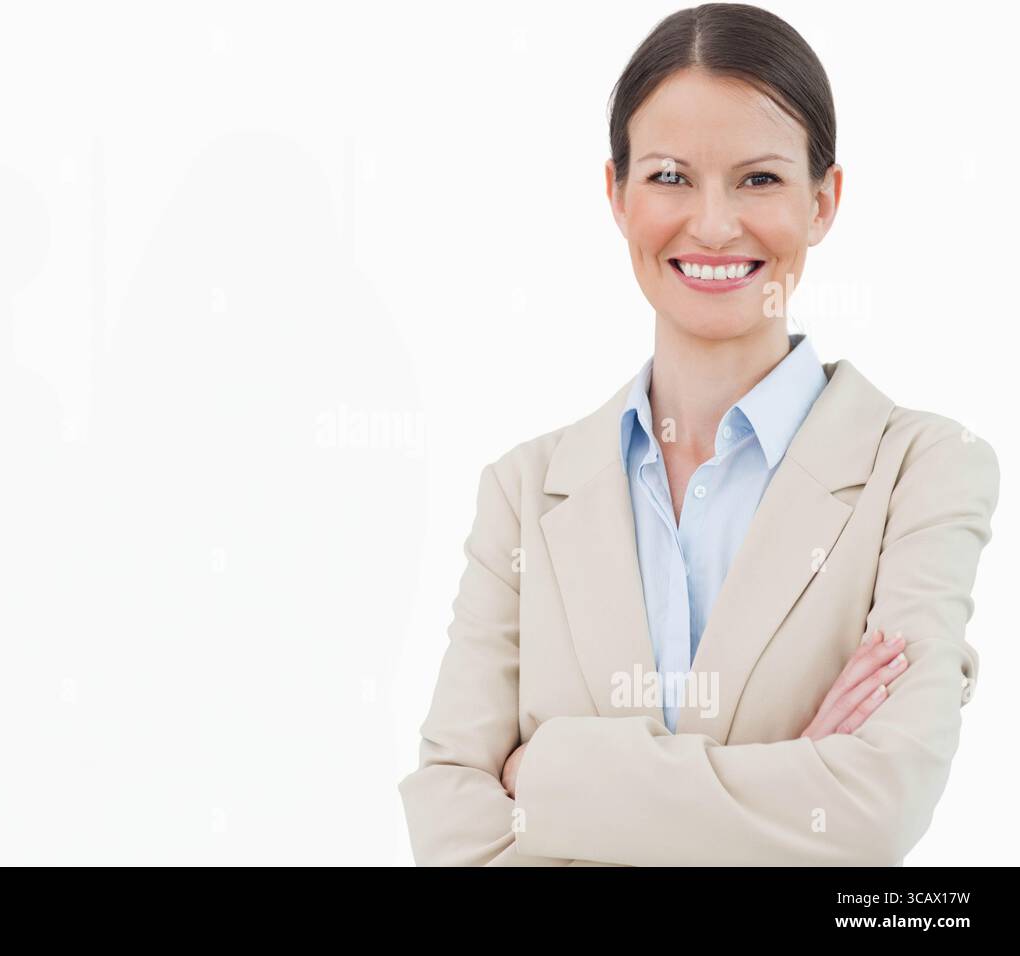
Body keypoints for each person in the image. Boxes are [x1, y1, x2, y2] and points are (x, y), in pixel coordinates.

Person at [398, 2, 1001, 866]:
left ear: (824, 200)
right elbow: (453, 834)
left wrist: (550, 771)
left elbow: (872, 811)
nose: (714, 225)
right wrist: (790, 778)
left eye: (758, 179)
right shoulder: (524, 493)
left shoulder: (923, 471)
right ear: (615, 193)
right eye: (671, 177)